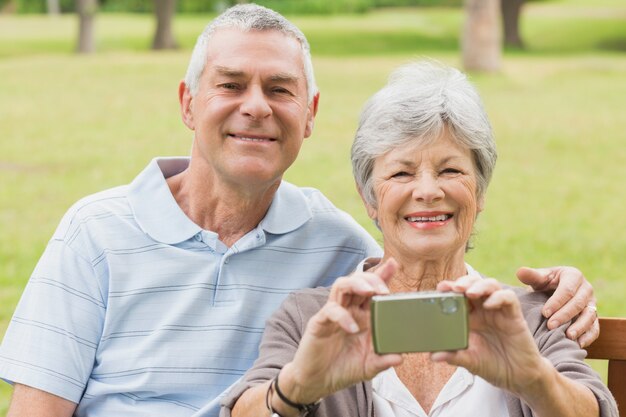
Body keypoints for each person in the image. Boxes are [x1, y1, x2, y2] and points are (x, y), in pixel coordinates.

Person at [0, 5, 599, 417]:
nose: (256, 108)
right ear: (189, 103)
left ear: (309, 113)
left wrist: (556, 312)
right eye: (231, 84)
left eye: (279, 89)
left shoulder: (331, 244)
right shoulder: (95, 232)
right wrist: (297, 387)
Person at [223, 61, 617, 417]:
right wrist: (297, 387)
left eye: (449, 170)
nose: (427, 190)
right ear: (369, 198)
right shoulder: (311, 319)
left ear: (479, 192)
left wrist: (532, 377)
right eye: (401, 174)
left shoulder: (530, 318)